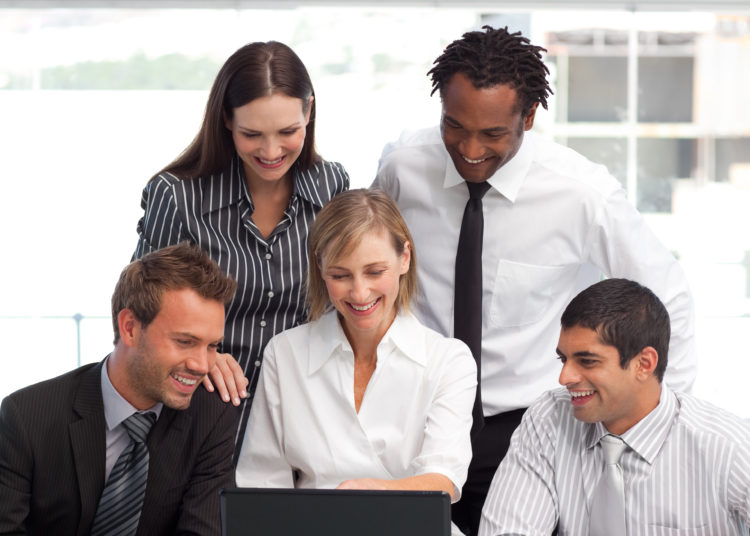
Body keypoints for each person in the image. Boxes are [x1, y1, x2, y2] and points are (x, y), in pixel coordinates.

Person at [372, 25, 696, 534]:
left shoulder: (580, 193)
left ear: (528, 116)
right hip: (417, 416)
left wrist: (656, 429)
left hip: (528, 429)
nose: (470, 148)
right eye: (454, 126)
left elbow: (667, 298)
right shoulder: (403, 170)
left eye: (493, 134)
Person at [132, 41, 349, 455]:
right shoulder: (177, 196)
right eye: (252, 134)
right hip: (198, 412)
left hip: (306, 415)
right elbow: (138, 314)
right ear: (226, 122)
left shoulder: (332, 185)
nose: (271, 152)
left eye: (288, 132)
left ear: (309, 112)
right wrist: (202, 354)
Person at [235, 189, 477, 535]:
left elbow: (442, 479)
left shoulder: (449, 361)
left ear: (404, 258)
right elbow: (262, 485)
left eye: (375, 271)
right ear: (320, 267)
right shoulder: (285, 353)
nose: (360, 293)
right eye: (341, 275)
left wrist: (364, 497)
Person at [0, 243, 239, 535]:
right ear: (129, 328)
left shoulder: (211, 416)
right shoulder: (26, 417)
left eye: (212, 345)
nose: (203, 365)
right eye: (185, 342)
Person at [479, 278, 750, 535]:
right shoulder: (550, 419)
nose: (564, 378)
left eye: (587, 361)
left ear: (644, 364)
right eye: (564, 359)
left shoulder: (731, 449)